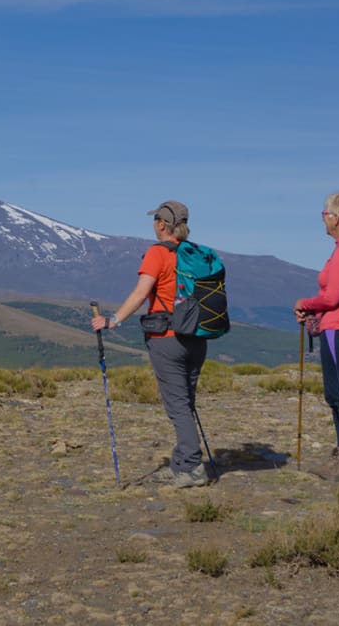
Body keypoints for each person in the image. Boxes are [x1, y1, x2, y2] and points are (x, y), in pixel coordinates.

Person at [91, 201, 210, 488]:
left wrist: (112, 320)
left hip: (167, 339)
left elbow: (141, 292)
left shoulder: (158, 253)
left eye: (156, 219)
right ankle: (181, 462)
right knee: (186, 402)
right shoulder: (196, 254)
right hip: (197, 338)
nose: (154, 224)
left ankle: (193, 467)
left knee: (177, 406)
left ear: (162, 224)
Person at [293, 191, 339, 481]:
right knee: (335, 394)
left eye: (325, 214)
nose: (323, 220)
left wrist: (305, 304)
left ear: (335, 218)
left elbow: (333, 296)